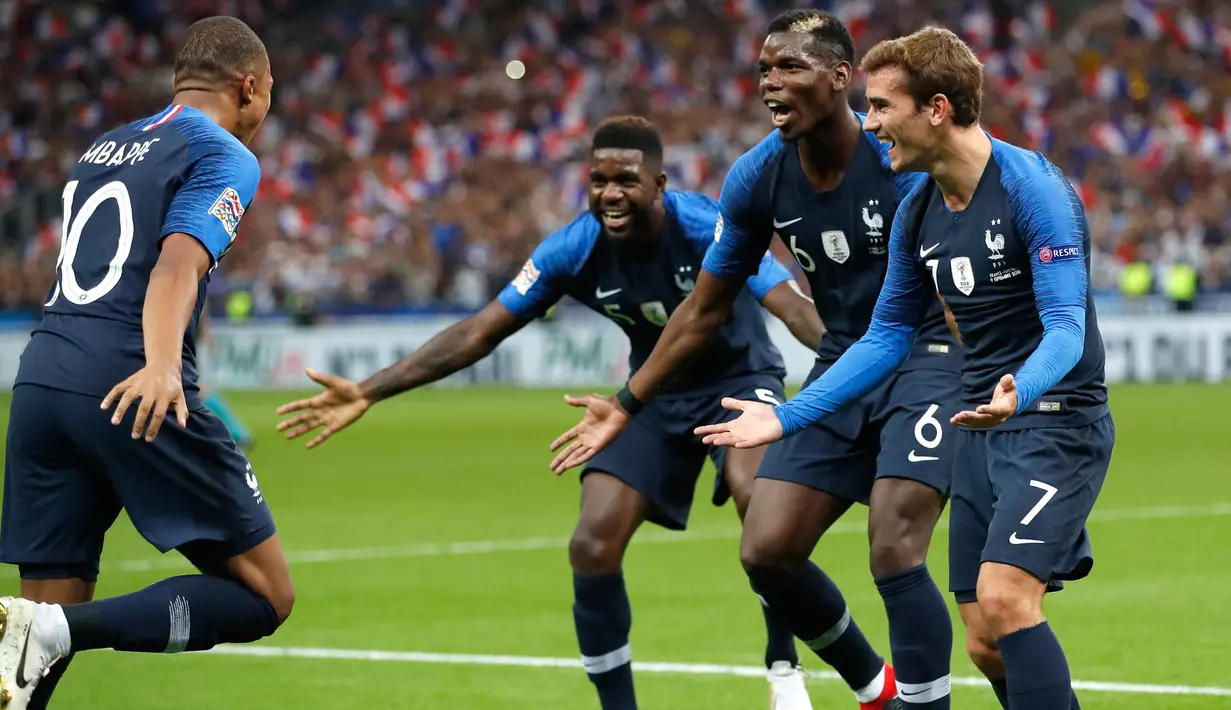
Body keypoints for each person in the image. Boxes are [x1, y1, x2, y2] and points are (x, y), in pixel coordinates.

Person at [273, 115, 826, 710]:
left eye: (626, 180)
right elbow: (481, 331)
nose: (610, 193)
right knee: (592, 543)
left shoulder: (706, 226)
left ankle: (783, 667)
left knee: (756, 498)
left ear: (660, 184)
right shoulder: (572, 248)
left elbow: (790, 304)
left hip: (740, 380)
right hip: (646, 395)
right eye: (597, 179)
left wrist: (861, 363)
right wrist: (368, 391)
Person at [549, 10, 962, 709]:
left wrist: (997, 371)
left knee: (892, 545)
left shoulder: (900, 154)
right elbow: (705, 307)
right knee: (765, 549)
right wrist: (625, 405)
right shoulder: (755, 178)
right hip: (843, 361)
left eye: (789, 68)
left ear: (839, 79)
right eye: (764, 70)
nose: (770, 83)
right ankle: (875, 692)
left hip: (930, 353)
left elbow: (966, 269)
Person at [696, 26, 1113, 710]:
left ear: (937, 109)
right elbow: (884, 336)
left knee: (1008, 601)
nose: (872, 123)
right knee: (981, 636)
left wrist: (1023, 387)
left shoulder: (1032, 188)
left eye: (883, 107)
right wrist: (784, 416)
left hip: (1053, 421)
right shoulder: (916, 208)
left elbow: (1067, 328)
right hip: (978, 424)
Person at [0, 17, 292, 710]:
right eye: (271, 91)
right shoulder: (223, 152)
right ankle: (60, 628)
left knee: (19, 666)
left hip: (42, 379)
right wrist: (162, 364)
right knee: (264, 594)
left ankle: (47, 630)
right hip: (128, 379)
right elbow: (174, 266)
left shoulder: (104, 147)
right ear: (248, 86)